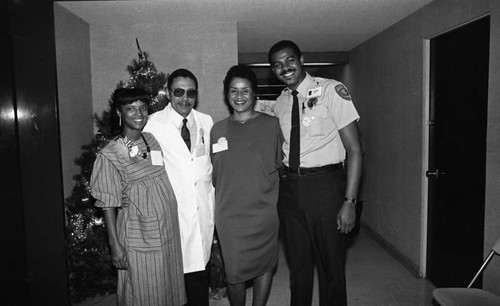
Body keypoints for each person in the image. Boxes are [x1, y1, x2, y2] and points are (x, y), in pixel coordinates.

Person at [268, 40, 363, 306]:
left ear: (301, 59)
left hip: (326, 187)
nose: (284, 68)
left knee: (331, 268)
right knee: (298, 270)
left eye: (289, 60)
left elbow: (355, 150)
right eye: (277, 65)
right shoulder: (280, 102)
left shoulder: (331, 90)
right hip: (290, 190)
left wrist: (350, 202)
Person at [90, 87, 186, 305]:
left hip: (167, 231)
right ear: (119, 113)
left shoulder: (150, 140)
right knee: (143, 290)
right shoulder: (110, 154)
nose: (139, 114)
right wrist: (115, 245)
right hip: (139, 235)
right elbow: (108, 205)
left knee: (166, 287)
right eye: (130, 109)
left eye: (143, 108)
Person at [210, 65, 283, 306]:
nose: (239, 96)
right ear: (226, 94)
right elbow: (214, 172)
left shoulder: (273, 125)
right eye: (234, 91)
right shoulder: (217, 130)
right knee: (234, 272)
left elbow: (279, 166)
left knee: (265, 264)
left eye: (245, 91)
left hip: (263, 212)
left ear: (255, 94)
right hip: (229, 214)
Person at [144, 68, 215, 306]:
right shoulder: (152, 125)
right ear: (168, 92)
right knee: (173, 284)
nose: (185, 98)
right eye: (179, 92)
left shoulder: (206, 121)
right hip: (172, 215)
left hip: (201, 211)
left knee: (199, 278)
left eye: (191, 93)